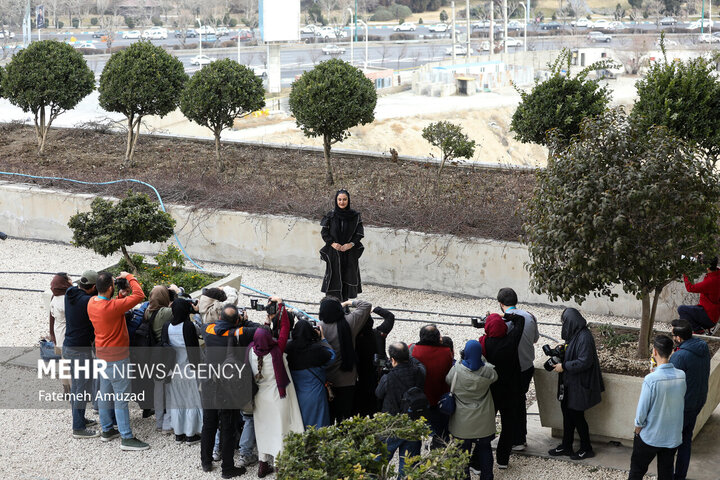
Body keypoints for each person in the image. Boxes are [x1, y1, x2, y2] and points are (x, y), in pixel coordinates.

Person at [87, 271, 147, 451]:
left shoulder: (92, 303)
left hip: (102, 355)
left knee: (105, 394)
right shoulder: (113, 307)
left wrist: (120, 297)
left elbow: (112, 308)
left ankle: (106, 430)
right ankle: (126, 437)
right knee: (121, 398)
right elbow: (140, 295)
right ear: (110, 288)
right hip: (118, 358)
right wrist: (130, 277)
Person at [201, 304, 259, 478]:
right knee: (228, 426)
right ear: (236, 320)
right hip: (229, 387)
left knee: (209, 424)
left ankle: (206, 461)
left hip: (209, 384)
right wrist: (245, 321)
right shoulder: (239, 333)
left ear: (220, 319)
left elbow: (206, 326)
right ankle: (227, 468)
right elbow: (261, 330)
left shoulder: (208, 330)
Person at [248, 301, 304, 478]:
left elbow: (260, 338)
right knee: (280, 431)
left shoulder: (250, 350)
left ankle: (263, 466)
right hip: (278, 397)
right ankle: (280, 467)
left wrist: (266, 322)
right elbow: (286, 326)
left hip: (259, 398)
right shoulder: (276, 351)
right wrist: (280, 306)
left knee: (264, 432)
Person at [547, 308, 604, 460]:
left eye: (564, 321)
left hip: (579, 385)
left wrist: (564, 366)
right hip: (570, 384)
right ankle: (567, 446)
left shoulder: (584, 337)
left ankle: (587, 448)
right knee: (567, 413)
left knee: (577, 417)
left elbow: (584, 361)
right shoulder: (575, 334)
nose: (563, 324)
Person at [629, 335, 686, 480]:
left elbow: (642, 410)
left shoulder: (651, 379)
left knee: (637, 471)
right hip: (672, 436)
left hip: (650, 436)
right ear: (671, 352)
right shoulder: (681, 376)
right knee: (666, 472)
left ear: (654, 352)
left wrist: (638, 428)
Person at [447, 340, 498, 480]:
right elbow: (495, 376)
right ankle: (487, 477)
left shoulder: (457, 370)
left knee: (462, 453)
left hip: (462, 421)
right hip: (483, 420)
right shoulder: (488, 371)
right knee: (485, 450)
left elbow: (448, 380)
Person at [496, 287, 539, 451]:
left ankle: (514, 438)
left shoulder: (503, 322)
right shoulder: (530, 316)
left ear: (500, 304)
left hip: (511, 369)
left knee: (509, 404)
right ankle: (520, 437)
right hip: (527, 366)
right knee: (520, 400)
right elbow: (535, 339)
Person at [479, 313, 524, 469]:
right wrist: (507, 316)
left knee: (484, 425)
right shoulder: (511, 341)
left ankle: (478, 461)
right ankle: (503, 460)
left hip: (491, 391)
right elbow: (521, 320)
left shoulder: (484, 343)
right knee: (508, 426)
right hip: (510, 391)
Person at [375, 342, 426, 479]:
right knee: (409, 468)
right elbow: (421, 366)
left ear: (392, 360)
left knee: (378, 463)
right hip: (413, 424)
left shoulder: (388, 378)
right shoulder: (418, 372)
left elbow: (378, 394)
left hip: (392, 424)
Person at [319, 296, 372, 423]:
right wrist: (348, 302)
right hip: (347, 378)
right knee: (345, 416)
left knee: (329, 416)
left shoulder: (318, 327)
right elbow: (366, 305)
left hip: (325, 378)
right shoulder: (349, 323)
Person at [670, 319, 711, 480]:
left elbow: (669, 382)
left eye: (672, 334)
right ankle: (680, 476)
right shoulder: (702, 347)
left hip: (683, 406)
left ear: (679, 338)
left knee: (671, 445)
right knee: (685, 441)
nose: (671, 336)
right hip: (698, 401)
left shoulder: (679, 357)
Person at [62, 270, 98, 439]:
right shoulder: (88, 301)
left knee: (77, 387)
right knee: (80, 388)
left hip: (68, 346)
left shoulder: (70, 293)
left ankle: (80, 419)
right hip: (80, 350)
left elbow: (72, 287)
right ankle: (78, 427)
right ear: (92, 287)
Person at [163, 298, 203, 445]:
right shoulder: (187, 326)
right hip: (188, 368)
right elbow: (194, 350)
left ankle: (179, 433)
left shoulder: (167, 326)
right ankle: (191, 434)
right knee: (192, 401)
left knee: (177, 401)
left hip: (173, 370)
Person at [286, 319, 336, 428]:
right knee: (319, 425)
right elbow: (332, 357)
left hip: (296, 394)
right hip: (316, 394)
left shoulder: (288, 348)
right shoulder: (317, 349)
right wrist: (323, 339)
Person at [410, 324, 453, 447]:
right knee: (441, 430)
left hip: (420, 397)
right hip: (440, 396)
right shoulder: (446, 352)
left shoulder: (413, 349)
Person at [320, 189, 364, 301]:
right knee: (334, 275)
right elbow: (324, 233)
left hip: (349, 252)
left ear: (348, 201)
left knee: (348, 275)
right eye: (339, 199)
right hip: (334, 252)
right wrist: (332, 244)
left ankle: (345, 303)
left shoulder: (355, 216)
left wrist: (351, 244)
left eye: (344, 199)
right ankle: (333, 301)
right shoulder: (331, 215)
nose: (342, 202)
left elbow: (359, 234)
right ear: (336, 200)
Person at [353, 306, 395, 416]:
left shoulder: (355, 337)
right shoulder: (379, 334)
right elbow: (390, 316)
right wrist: (375, 309)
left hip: (361, 376)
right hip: (378, 374)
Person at [145, 285, 174, 433]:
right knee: (168, 389)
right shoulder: (165, 312)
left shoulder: (148, 311)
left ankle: (158, 421)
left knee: (157, 389)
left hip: (153, 355)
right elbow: (179, 309)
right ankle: (168, 424)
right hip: (165, 355)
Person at [679, 256, 720, 334]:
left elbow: (690, 288)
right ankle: (703, 328)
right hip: (713, 313)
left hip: (708, 316)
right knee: (690, 311)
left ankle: (698, 330)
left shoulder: (711, 281)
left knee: (682, 309)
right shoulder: (717, 274)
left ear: (707, 267)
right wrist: (699, 257)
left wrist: (685, 273)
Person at [48, 272, 73, 394]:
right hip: (67, 333)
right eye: (69, 279)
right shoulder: (67, 298)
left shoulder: (54, 297)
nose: (71, 280)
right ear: (64, 282)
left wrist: (52, 335)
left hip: (58, 333)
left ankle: (66, 389)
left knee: (63, 362)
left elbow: (51, 317)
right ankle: (74, 391)